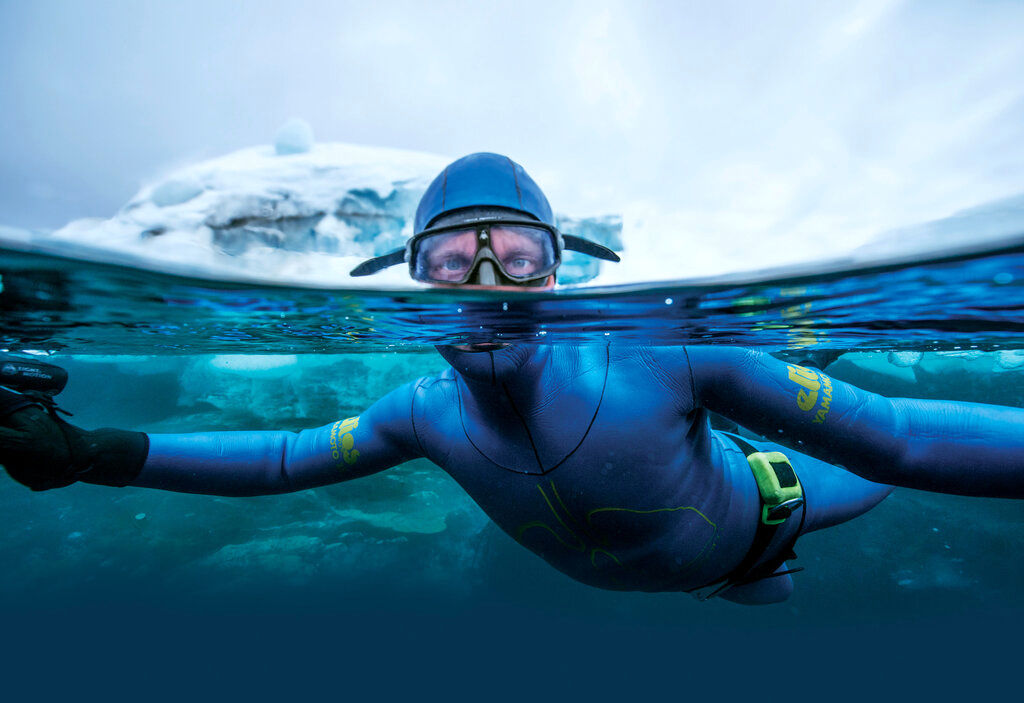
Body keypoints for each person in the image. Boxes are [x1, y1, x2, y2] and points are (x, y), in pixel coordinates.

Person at [1, 153, 1022, 605]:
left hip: (763, 516)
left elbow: (899, 439)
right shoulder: (424, 413)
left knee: (858, 477)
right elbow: (279, 456)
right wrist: (90, 453)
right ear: (410, 282)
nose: (487, 287)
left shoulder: (666, 354)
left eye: (516, 257)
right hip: (698, 555)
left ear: (559, 266)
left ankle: (787, 392)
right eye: (451, 263)